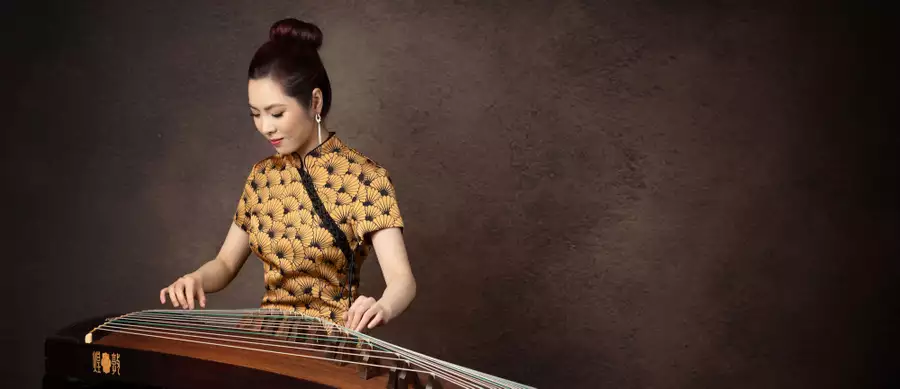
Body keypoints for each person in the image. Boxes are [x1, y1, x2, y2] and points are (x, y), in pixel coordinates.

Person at [159, 18, 416, 332]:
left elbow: (402, 281)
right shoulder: (262, 177)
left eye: (277, 113)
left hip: (331, 342)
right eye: (256, 114)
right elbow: (225, 264)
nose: (265, 127)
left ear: (315, 102)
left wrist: (382, 306)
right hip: (266, 338)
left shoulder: (365, 177)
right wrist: (196, 278)